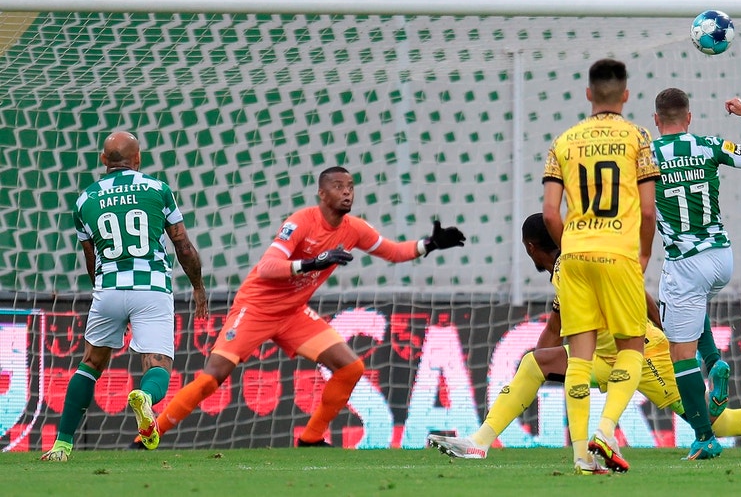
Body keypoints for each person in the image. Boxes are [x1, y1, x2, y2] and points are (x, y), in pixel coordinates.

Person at [428, 213, 741, 462]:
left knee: (717, 423)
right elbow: (553, 339)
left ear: (533, 246)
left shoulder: (573, 266)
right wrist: (533, 376)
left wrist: (663, 334)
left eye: (528, 250)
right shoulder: (567, 270)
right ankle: (480, 442)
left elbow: (630, 297)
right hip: (607, 359)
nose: (529, 256)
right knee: (534, 362)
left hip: (641, 356)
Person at [132, 166, 465, 449]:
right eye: (338, 187)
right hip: (256, 308)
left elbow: (392, 251)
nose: (346, 192)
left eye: (350, 187)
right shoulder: (302, 222)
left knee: (351, 368)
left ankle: (311, 438)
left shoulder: (354, 229)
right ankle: (148, 435)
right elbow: (267, 267)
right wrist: (312, 262)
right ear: (322, 193)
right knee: (213, 377)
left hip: (292, 313)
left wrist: (429, 244)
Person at [41, 131, 208, 462]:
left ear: (103, 160)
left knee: (90, 364)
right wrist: (198, 287)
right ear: (138, 158)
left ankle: (62, 445)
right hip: (152, 288)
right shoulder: (158, 190)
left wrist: (103, 292)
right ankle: (145, 397)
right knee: (158, 365)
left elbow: (91, 258)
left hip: (109, 289)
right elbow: (183, 246)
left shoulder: (85, 200)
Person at [542, 58, 660, 474]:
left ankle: (581, 456)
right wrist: (643, 253)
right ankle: (606, 432)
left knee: (579, 357)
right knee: (632, 347)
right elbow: (648, 210)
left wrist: (571, 246)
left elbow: (550, 213)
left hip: (574, 255)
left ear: (588, 93)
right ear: (625, 95)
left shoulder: (563, 141)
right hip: (618, 253)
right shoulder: (637, 137)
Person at [651, 88, 741, 460]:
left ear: (656, 120)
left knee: (679, 355)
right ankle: (714, 362)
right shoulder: (710, 146)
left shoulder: (647, 156)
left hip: (684, 262)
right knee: (695, 303)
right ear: (689, 118)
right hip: (722, 257)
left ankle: (704, 436)